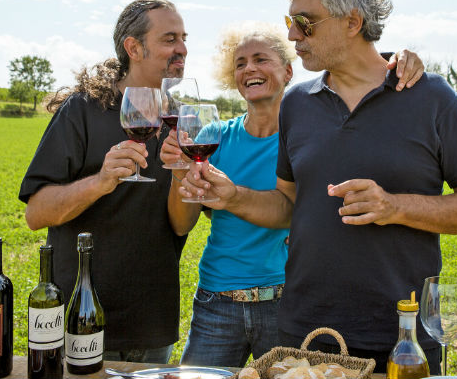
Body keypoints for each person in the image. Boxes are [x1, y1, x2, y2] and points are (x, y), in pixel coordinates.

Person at [178, 0, 457, 374]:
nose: (293, 36)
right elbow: (289, 206)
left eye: (305, 22)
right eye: (290, 22)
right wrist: (233, 195)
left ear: (353, 22)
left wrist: (396, 206)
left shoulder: (432, 98)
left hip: (402, 340)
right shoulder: (296, 104)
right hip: (305, 336)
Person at [161, 22, 425, 367]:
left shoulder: (311, 138)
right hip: (217, 303)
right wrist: (180, 171)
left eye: (260, 59)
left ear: (288, 71)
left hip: (286, 303)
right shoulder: (213, 137)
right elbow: (181, 226)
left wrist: (401, 59)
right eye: (240, 64)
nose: (249, 69)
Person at [18, 0, 188, 364]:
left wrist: (183, 176)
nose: (182, 49)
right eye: (169, 38)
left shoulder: (180, 119)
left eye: (184, 38)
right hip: (83, 317)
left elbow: (180, 224)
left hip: (152, 322)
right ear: (133, 47)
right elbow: (36, 213)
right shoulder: (82, 110)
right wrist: (101, 180)